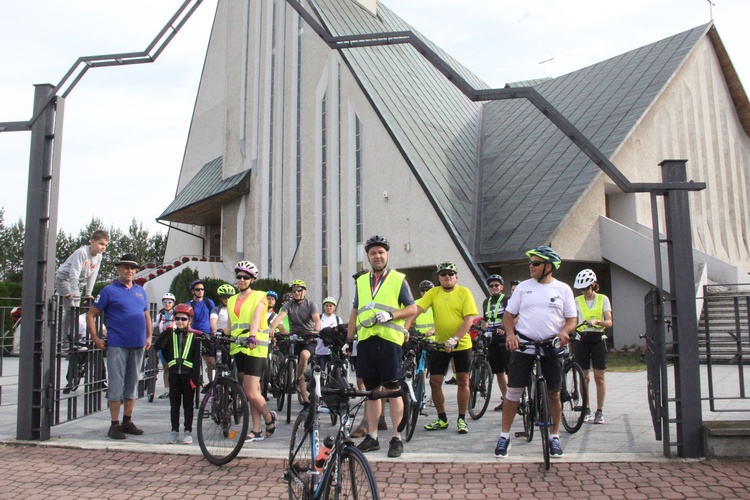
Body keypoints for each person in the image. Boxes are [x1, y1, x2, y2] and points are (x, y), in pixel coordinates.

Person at [494, 246, 577, 459]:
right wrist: (511, 335)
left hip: (552, 346)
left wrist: (565, 331)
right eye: (530, 263)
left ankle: (554, 437)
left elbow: (571, 318)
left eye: (536, 263)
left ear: (549, 267)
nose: (531, 266)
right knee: (513, 393)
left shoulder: (563, 289)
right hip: (525, 345)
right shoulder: (523, 287)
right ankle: (504, 436)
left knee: (554, 393)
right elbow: (508, 315)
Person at [346, 235, 417, 458]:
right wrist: (349, 340)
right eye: (373, 253)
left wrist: (391, 314)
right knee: (372, 392)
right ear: (367, 256)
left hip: (389, 341)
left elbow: (413, 308)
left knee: (393, 391)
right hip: (367, 342)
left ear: (387, 255)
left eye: (381, 252)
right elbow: (355, 312)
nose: (378, 256)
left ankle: (396, 438)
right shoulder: (360, 281)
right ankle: (373, 437)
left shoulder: (398, 279)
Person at [87, 253, 152, 440]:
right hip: (117, 345)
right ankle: (114, 424)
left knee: (132, 385)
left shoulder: (141, 290)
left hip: (138, 344)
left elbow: (146, 313)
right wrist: (96, 338)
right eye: (126, 267)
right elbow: (91, 314)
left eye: (133, 268)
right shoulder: (108, 291)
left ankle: (127, 421)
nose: (129, 271)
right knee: (116, 385)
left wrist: (149, 336)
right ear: (119, 269)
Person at [413, 262, 478, 435]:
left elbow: (468, 320)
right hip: (441, 344)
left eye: (451, 273)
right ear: (439, 278)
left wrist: (455, 339)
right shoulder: (433, 292)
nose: (447, 276)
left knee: (463, 380)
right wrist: (405, 327)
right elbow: (417, 309)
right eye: (443, 274)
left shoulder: (464, 292)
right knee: (435, 381)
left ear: (456, 276)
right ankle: (442, 418)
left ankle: (462, 419)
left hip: (461, 344)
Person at [228, 261, 277, 442]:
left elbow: (256, 317)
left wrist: (253, 335)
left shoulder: (260, 296)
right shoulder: (232, 299)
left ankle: (269, 418)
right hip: (238, 347)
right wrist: (216, 333)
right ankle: (256, 430)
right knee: (252, 391)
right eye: (239, 276)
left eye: (245, 277)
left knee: (250, 391)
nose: (241, 280)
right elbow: (230, 326)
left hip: (255, 346)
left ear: (252, 279)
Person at [153, 303, 202, 445]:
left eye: (184, 319)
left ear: (190, 320)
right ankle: (174, 430)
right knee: (174, 405)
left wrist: (195, 377)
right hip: (174, 375)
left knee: (188, 405)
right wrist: (165, 334)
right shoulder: (170, 335)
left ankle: (188, 430)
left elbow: (197, 359)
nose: (180, 321)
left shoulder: (194, 337)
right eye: (177, 318)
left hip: (188, 376)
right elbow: (157, 346)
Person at [269, 279, 321, 408]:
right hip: (294, 337)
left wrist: (316, 330)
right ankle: (304, 398)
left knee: (304, 356)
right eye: (294, 291)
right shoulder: (289, 305)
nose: (296, 293)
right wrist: (272, 328)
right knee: (289, 358)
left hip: (308, 337)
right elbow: (280, 317)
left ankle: (298, 379)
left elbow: (316, 319)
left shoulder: (311, 304)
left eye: (299, 290)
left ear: (305, 292)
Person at [572, 269, 613, 425]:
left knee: (599, 377)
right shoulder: (577, 300)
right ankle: (586, 408)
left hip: (597, 339)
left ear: (593, 285)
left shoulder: (603, 299)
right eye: (582, 289)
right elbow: (573, 320)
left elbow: (609, 322)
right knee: (584, 377)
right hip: (582, 340)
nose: (585, 292)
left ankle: (600, 411)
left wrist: (598, 322)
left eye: (587, 289)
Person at [55, 230, 109, 348]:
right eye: (101, 244)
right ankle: (64, 341)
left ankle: (71, 339)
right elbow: (74, 272)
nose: (103, 247)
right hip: (65, 279)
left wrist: (88, 293)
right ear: (92, 242)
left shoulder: (99, 257)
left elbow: (93, 275)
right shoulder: (82, 252)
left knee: (75, 309)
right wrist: (73, 292)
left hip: (78, 282)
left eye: (105, 245)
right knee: (71, 308)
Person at [481, 274, 510, 412]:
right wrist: (482, 329)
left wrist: (504, 328)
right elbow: (485, 319)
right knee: (498, 372)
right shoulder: (486, 302)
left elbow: (512, 317)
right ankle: (506, 399)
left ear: (501, 287)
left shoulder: (507, 300)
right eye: (491, 286)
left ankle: (517, 398)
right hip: (492, 339)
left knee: (510, 371)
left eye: (496, 285)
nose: (494, 287)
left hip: (505, 338)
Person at [188, 279, 216, 387]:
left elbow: (213, 317)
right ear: (193, 291)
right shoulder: (190, 304)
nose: (200, 291)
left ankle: (212, 385)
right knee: (194, 360)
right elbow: (188, 321)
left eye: (202, 289)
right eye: (198, 289)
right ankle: (196, 379)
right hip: (194, 334)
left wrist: (214, 330)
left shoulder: (209, 302)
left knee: (211, 362)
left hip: (207, 334)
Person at [155, 293, 177, 399]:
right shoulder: (160, 315)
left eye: (169, 302)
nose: (167, 304)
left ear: (173, 303)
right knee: (166, 367)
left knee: (175, 367)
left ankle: (175, 389)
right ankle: (167, 389)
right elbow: (153, 325)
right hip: (164, 343)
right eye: (165, 302)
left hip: (175, 343)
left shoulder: (177, 315)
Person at [316, 297, 343, 370]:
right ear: (324, 307)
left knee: (335, 369)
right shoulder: (319, 318)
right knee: (320, 370)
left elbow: (341, 332)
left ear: (334, 307)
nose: (328, 307)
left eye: (330, 306)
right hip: (321, 350)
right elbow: (315, 329)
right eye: (326, 305)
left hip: (334, 350)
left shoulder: (337, 319)